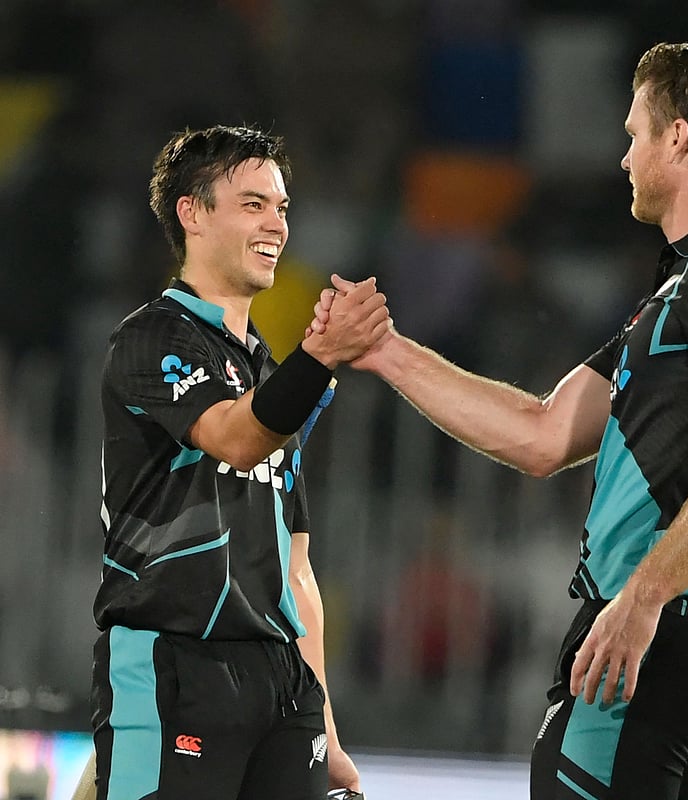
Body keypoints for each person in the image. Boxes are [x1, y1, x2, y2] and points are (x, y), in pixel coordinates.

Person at [312, 40, 688, 800]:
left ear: (678, 137)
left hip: (656, 640)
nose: (625, 155)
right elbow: (543, 433)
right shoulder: (687, 289)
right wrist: (387, 352)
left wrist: (643, 597)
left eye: (636, 132)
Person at [91, 124, 389, 800]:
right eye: (253, 204)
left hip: (284, 689)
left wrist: (329, 728)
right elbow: (235, 437)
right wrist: (320, 358)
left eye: (282, 207)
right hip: (174, 665)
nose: (278, 224)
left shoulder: (269, 371)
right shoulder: (149, 337)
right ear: (191, 213)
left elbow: (298, 564)